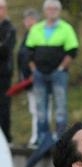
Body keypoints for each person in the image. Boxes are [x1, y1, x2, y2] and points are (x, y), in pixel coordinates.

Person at [25, 0, 79, 144]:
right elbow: (29, 51)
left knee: (60, 106)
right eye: (49, 9)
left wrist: (61, 68)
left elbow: (72, 51)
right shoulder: (36, 28)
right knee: (40, 108)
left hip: (58, 73)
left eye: (55, 8)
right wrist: (33, 69)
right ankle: (42, 138)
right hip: (39, 73)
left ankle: (60, 137)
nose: (52, 11)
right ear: (44, 11)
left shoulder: (66, 28)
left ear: (59, 11)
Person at [17, 8, 40, 147]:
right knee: (33, 108)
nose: (27, 22)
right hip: (27, 79)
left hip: (37, 77)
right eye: (26, 19)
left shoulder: (39, 34)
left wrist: (34, 73)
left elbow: (38, 56)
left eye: (30, 19)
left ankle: (38, 137)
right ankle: (35, 136)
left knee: (40, 109)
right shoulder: (27, 35)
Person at [0, 0, 16, 144]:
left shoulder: (10, 28)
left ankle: (5, 137)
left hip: (4, 74)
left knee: (4, 106)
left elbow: (5, 50)